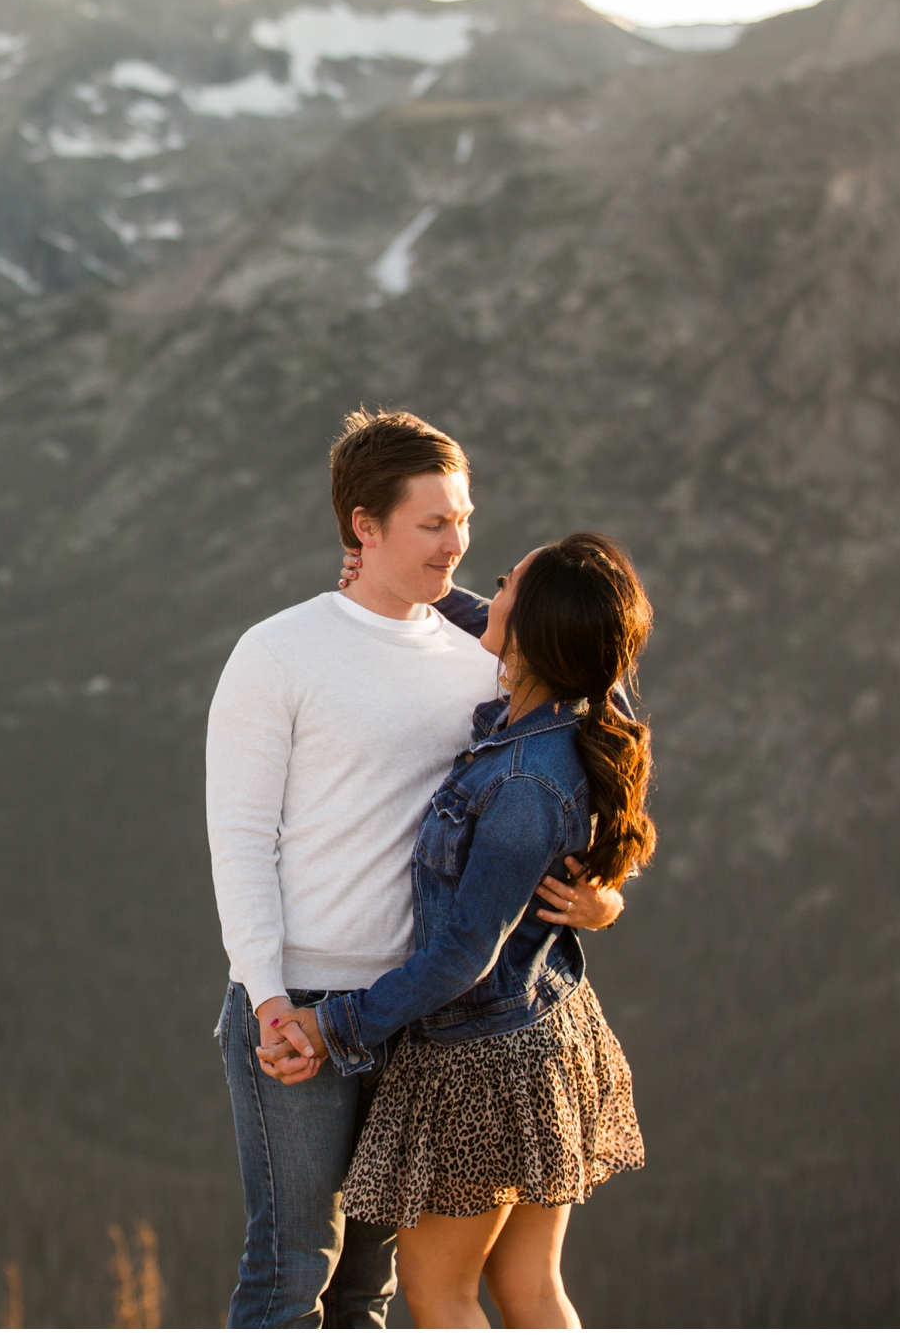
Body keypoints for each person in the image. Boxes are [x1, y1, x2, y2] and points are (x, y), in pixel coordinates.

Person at [207, 410, 623, 1328]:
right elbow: (240, 844)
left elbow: (597, 692)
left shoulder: (483, 654)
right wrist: (272, 999)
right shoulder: (276, 654)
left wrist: (601, 893)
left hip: (424, 1024)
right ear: (364, 525)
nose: (459, 542)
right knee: (289, 1277)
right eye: (433, 523)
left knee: (368, 1292)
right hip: (302, 1014)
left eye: (463, 518)